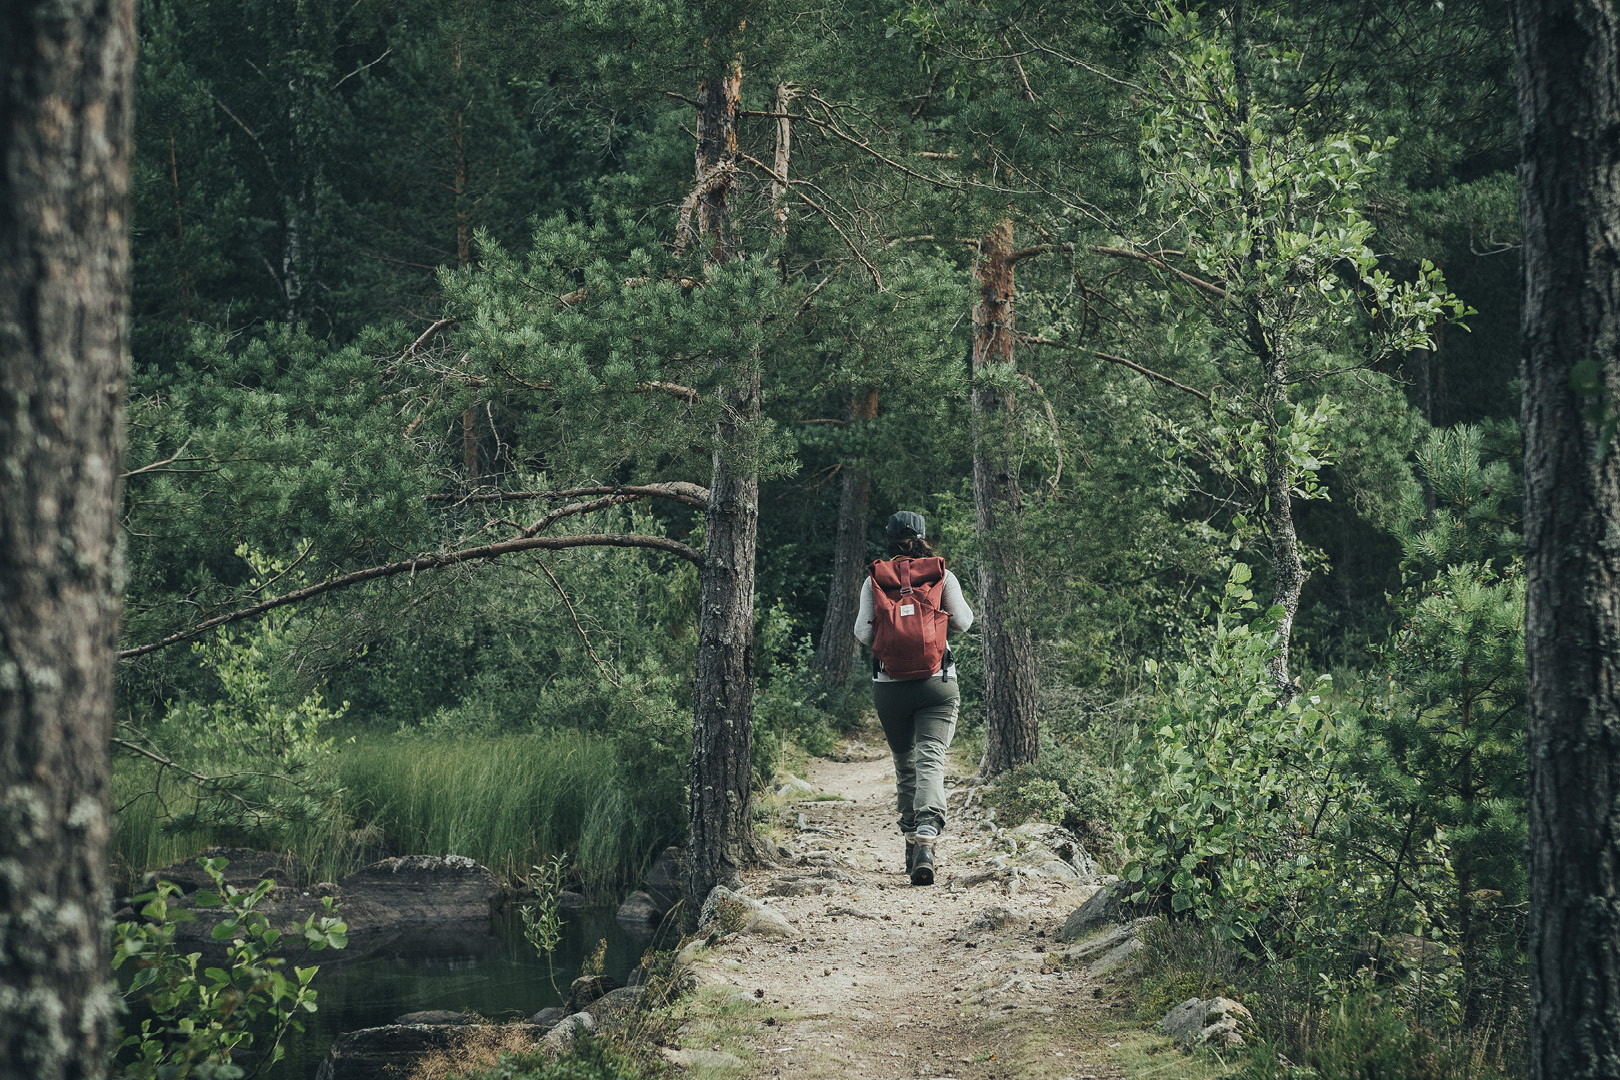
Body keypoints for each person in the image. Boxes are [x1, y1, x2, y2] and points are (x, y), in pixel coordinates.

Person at [853, 510, 974, 885]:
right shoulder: (941, 575)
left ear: (888, 540)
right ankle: (927, 838)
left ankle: (910, 842)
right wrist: (932, 625)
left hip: (890, 688)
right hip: (937, 683)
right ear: (924, 537)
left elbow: (861, 633)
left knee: (905, 764)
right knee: (931, 759)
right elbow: (965, 621)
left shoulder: (875, 578)